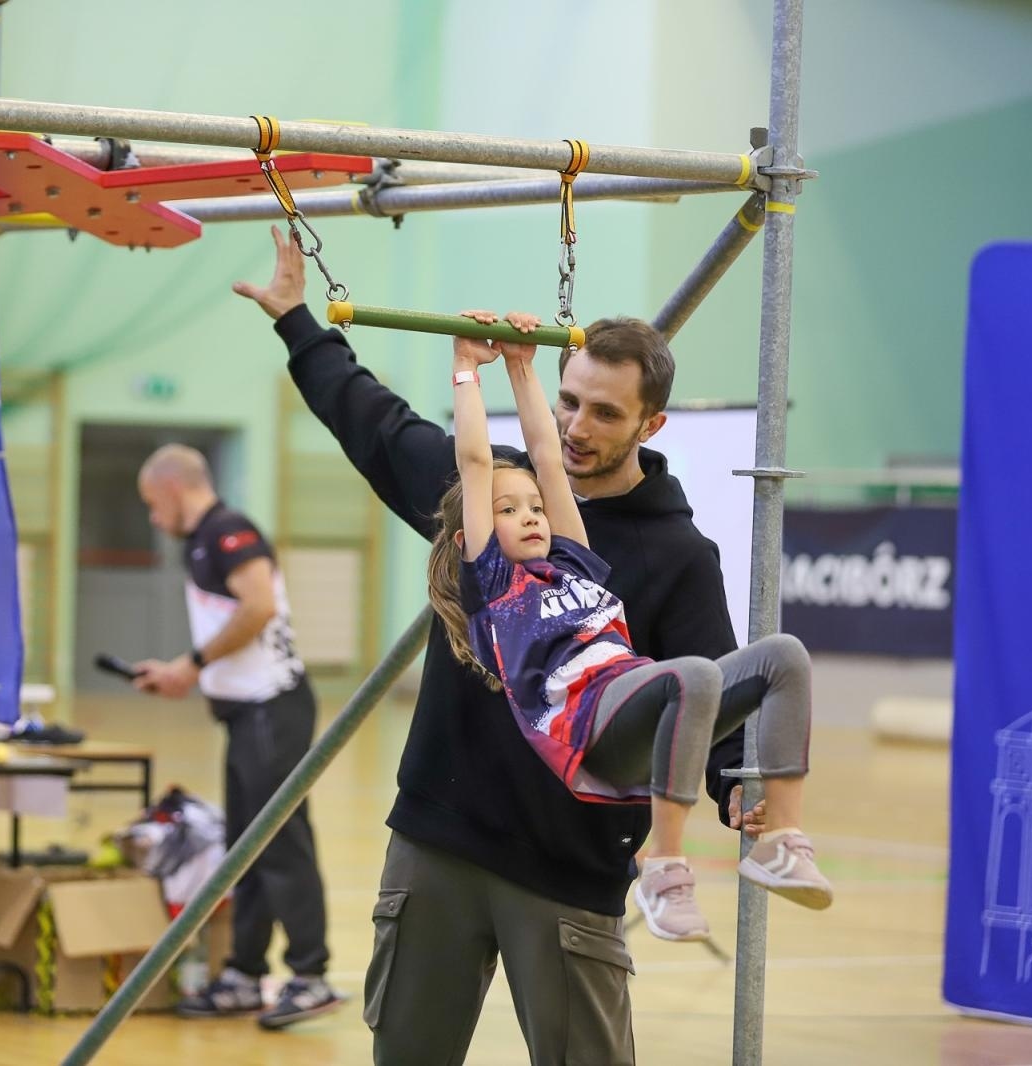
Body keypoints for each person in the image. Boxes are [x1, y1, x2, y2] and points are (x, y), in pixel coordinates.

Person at [233, 228, 769, 1065]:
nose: (578, 425)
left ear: (652, 423)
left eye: (605, 412)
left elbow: (713, 693)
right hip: (437, 841)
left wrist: (738, 782)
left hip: (568, 868)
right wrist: (299, 322)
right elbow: (378, 426)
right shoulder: (491, 494)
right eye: (568, 401)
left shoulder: (675, 555)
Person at [434, 308, 832, 942]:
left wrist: (520, 366)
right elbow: (478, 461)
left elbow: (546, 451)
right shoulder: (494, 584)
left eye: (536, 503)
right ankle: (663, 870)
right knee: (693, 678)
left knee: (782, 656)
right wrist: (464, 369)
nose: (532, 514)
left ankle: (781, 839)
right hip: (578, 728)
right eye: (509, 511)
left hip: (629, 695)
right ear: (476, 534)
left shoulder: (571, 557)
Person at [131, 444, 345, 1031]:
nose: (154, 518)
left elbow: (257, 609)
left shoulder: (229, 531)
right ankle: (244, 975)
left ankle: (310, 975)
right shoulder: (200, 542)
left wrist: (191, 665)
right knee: (246, 846)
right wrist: (185, 672)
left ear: (174, 488)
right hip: (245, 713)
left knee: (281, 841)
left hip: (272, 708)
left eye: (154, 504)